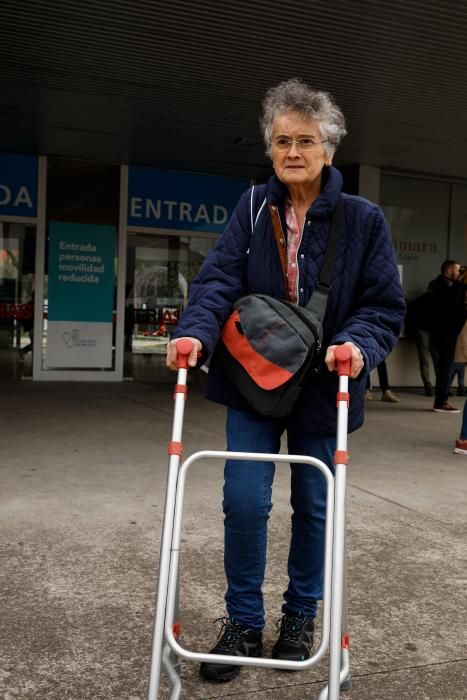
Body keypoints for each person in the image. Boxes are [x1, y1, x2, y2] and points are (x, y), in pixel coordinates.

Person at [166, 78, 405, 682]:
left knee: (314, 504)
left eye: (305, 140)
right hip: (253, 379)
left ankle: (299, 618)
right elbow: (217, 282)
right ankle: (243, 620)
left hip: (326, 385)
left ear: (329, 149)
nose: (293, 151)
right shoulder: (251, 209)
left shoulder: (363, 220)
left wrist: (358, 345)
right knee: (243, 500)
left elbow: (382, 304)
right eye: (281, 141)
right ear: (270, 151)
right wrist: (195, 333)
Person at [427, 260, 465, 413]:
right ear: (450, 270)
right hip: (446, 333)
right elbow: (450, 308)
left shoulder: (442, 285)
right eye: (458, 270)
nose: (459, 274)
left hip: (445, 332)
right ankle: (441, 401)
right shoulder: (443, 286)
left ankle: (442, 399)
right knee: (446, 367)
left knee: (447, 366)